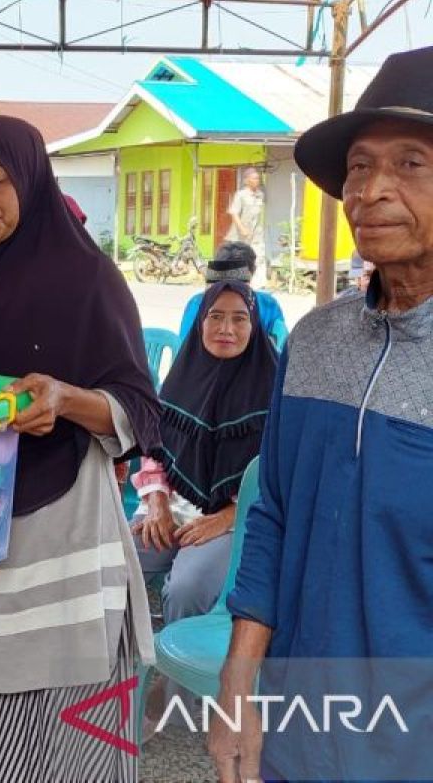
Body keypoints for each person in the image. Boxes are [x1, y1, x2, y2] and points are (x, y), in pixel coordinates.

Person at [0, 115, 160, 782]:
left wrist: (67, 401)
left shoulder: (88, 279)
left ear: (32, 183)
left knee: (62, 717)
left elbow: (140, 405)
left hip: (61, 525)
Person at [211, 46, 433, 783]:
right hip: (298, 728)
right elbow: (273, 510)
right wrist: (239, 685)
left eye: (410, 164)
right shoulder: (315, 339)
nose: (369, 191)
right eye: (359, 167)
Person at [132, 280, 277, 731]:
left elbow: (277, 477)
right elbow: (153, 445)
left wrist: (225, 519)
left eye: (239, 318)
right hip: (171, 506)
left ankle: (180, 697)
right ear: (200, 323)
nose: (226, 328)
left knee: (187, 586)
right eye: (216, 317)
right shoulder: (182, 376)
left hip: (236, 518)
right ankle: (125, 672)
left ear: (254, 327)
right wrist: (155, 501)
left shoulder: (273, 387)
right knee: (115, 561)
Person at [178, 241, 286, 339]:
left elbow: (281, 346)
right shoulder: (197, 303)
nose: (227, 330)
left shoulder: (268, 305)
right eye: (216, 317)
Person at [224, 168, 266, 286]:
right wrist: (242, 228)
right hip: (240, 235)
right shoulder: (241, 195)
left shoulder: (260, 195)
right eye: (254, 178)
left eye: (258, 178)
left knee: (258, 257)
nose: (257, 180)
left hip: (256, 234)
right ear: (247, 181)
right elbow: (234, 213)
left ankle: (257, 286)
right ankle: (236, 284)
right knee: (239, 259)